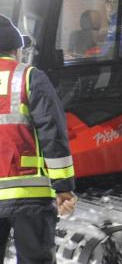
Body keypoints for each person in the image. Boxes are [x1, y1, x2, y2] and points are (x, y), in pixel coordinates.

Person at [0, 15, 77, 263]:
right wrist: (63, 187)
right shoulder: (29, 77)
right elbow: (52, 133)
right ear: (16, 49)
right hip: (29, 196)